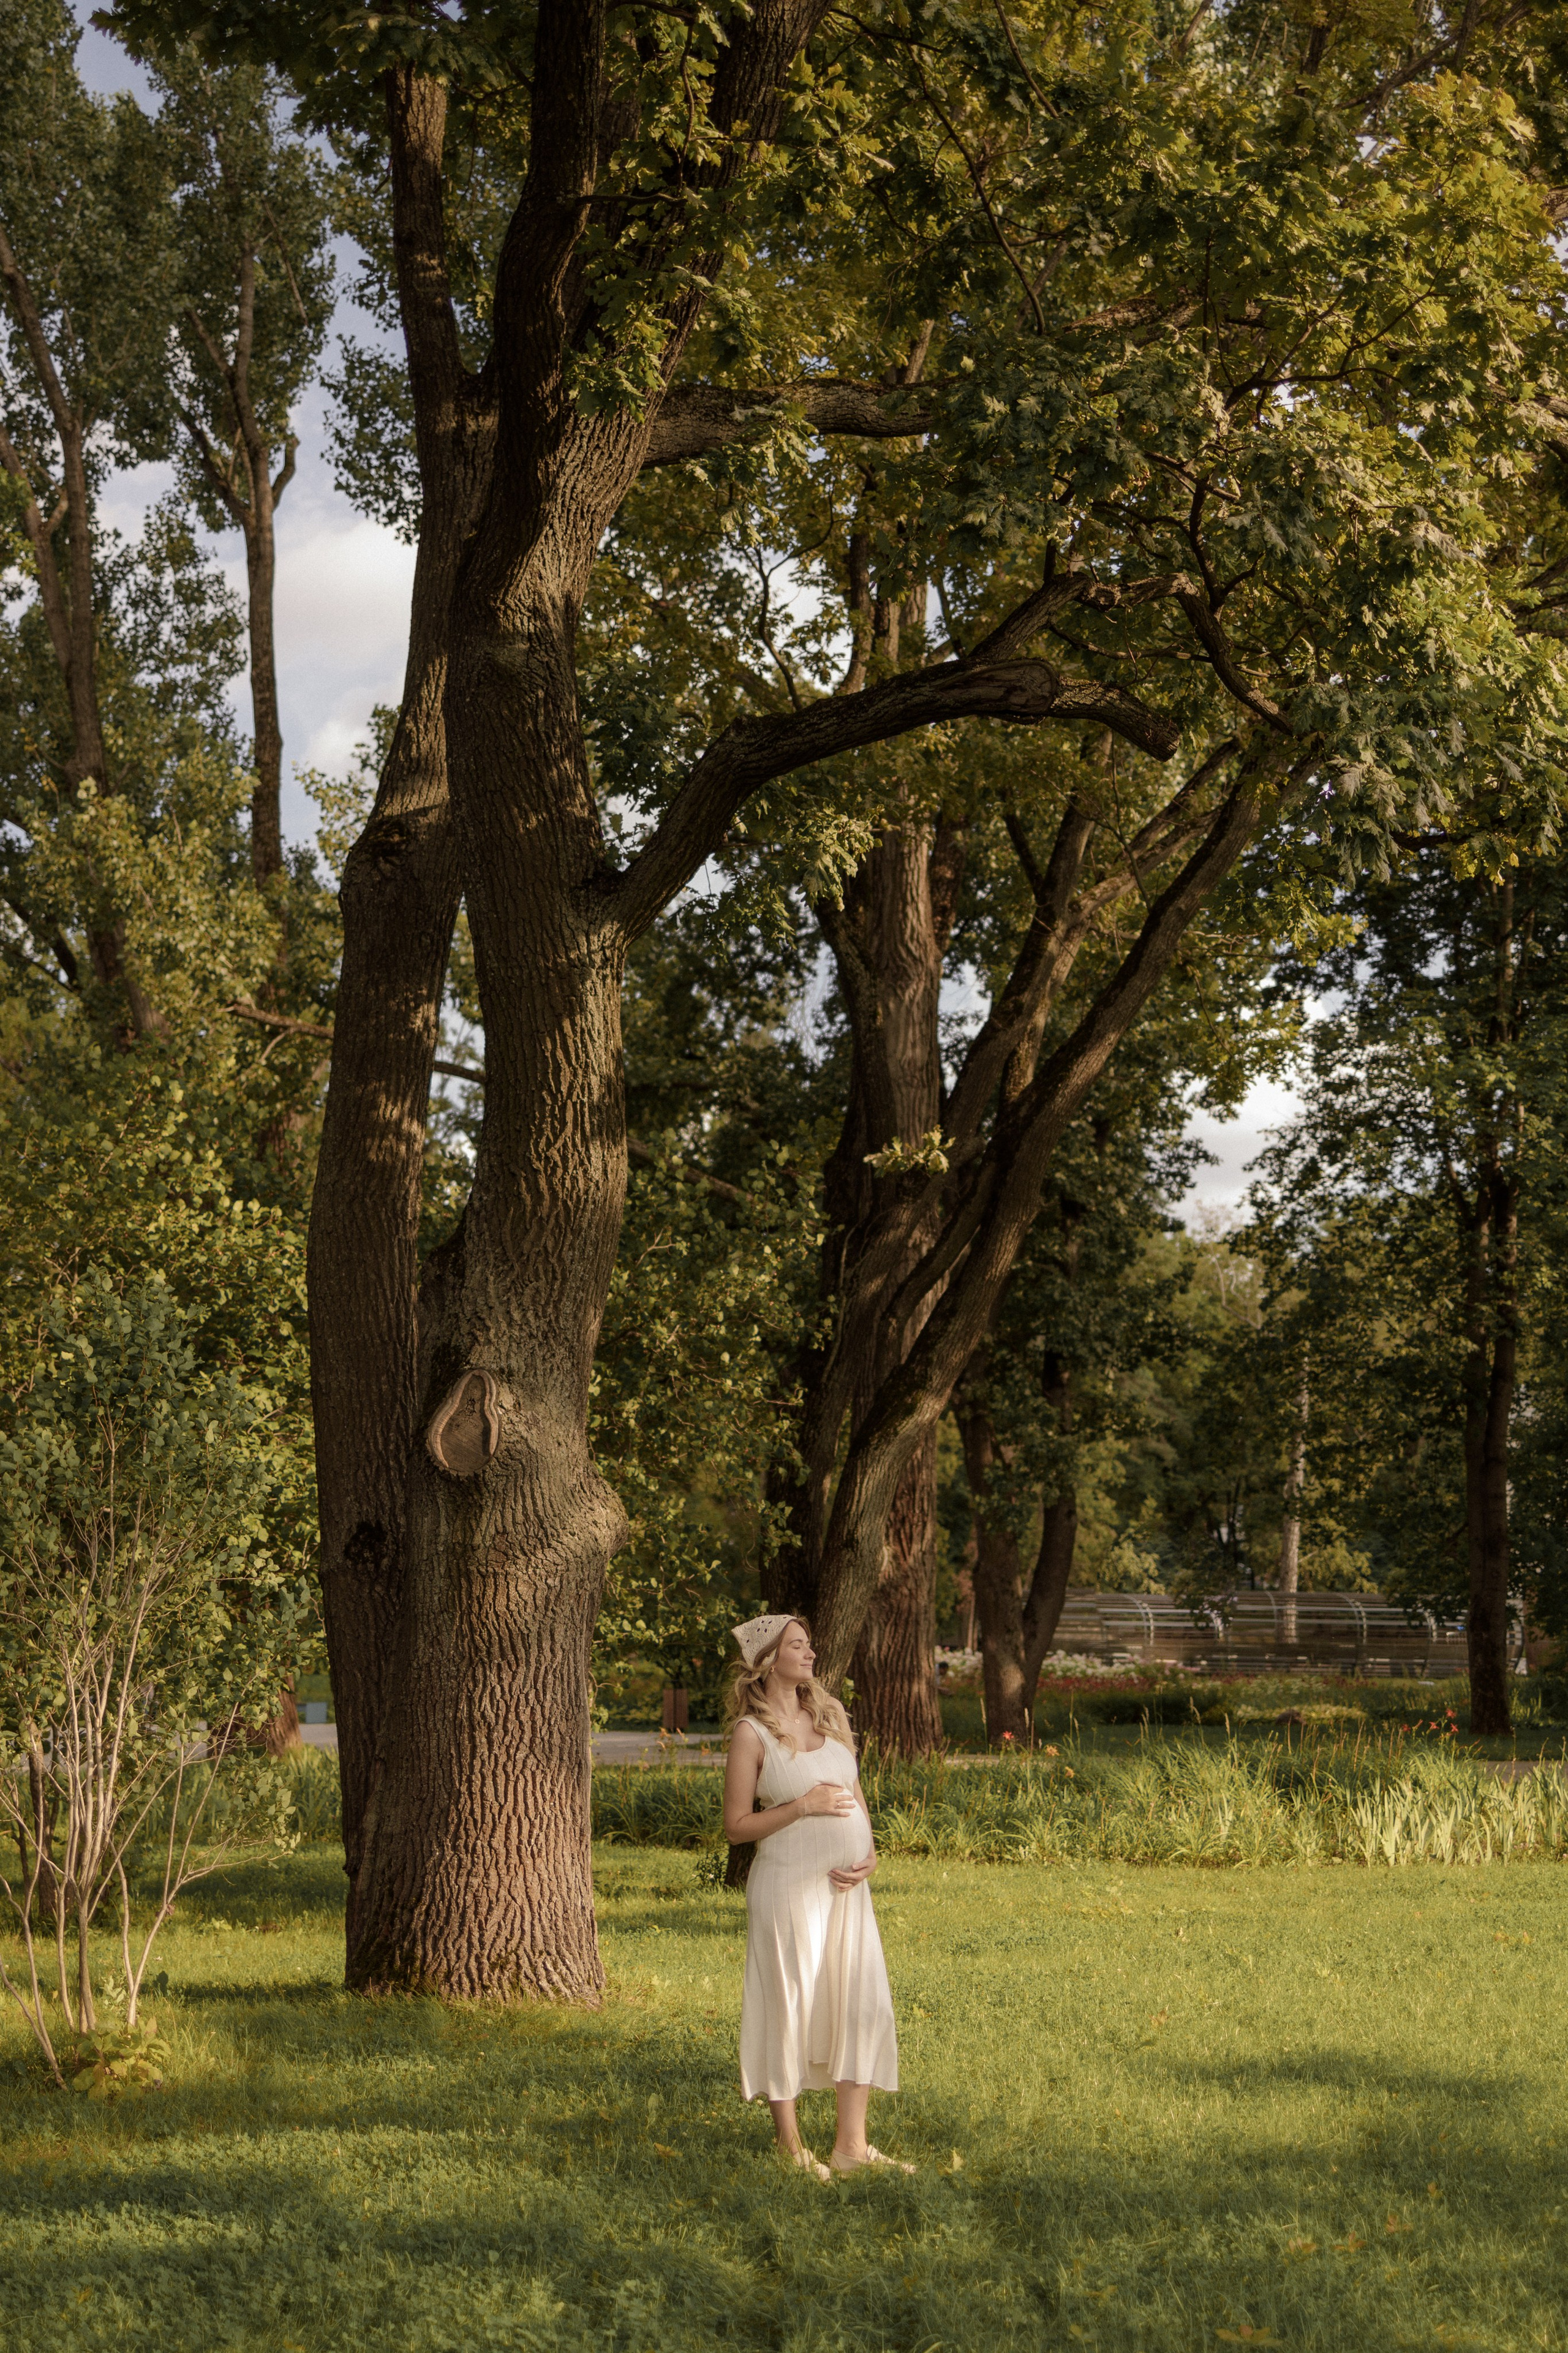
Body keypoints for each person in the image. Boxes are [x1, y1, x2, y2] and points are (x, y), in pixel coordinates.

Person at [722, 1614, 912, 2179]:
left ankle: (851, 2147)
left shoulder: (829, 1715)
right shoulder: (751, 1734)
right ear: (768, 1659)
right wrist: (803, 1806)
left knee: (860, 2001)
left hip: (848, 1890)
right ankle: (791, 2147)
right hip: (787, 1890)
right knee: (790, 2004)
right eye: (797, 1645)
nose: (810, 1654)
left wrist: (870, 1850)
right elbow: (736, 1826)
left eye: (808, 1645)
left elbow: (854, 1788)